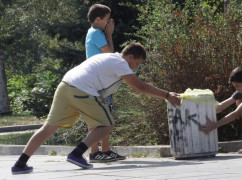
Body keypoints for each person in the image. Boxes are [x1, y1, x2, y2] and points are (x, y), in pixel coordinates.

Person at [11, 43, 181, 175]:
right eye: (136, 63)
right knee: (107, 125)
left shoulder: (108, 58)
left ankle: (20, 164)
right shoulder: (120, 62)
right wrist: (166, 95)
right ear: (129, 56)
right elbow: (140, 87)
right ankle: (77, 154)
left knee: (49, 127)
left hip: (65, 85)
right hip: (81, 89)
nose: (135, 68)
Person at [85, 4, 124, 163]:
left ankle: (103, 151)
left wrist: (107, 34)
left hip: (100, 82)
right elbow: (110, 55)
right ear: (98, 19)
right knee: (101, 117)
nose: (109, 23)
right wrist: (109, 34)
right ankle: (96, 152)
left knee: (105, 116)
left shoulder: (94, 32)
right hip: (98, 83)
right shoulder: (96, 33)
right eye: (107, 20)